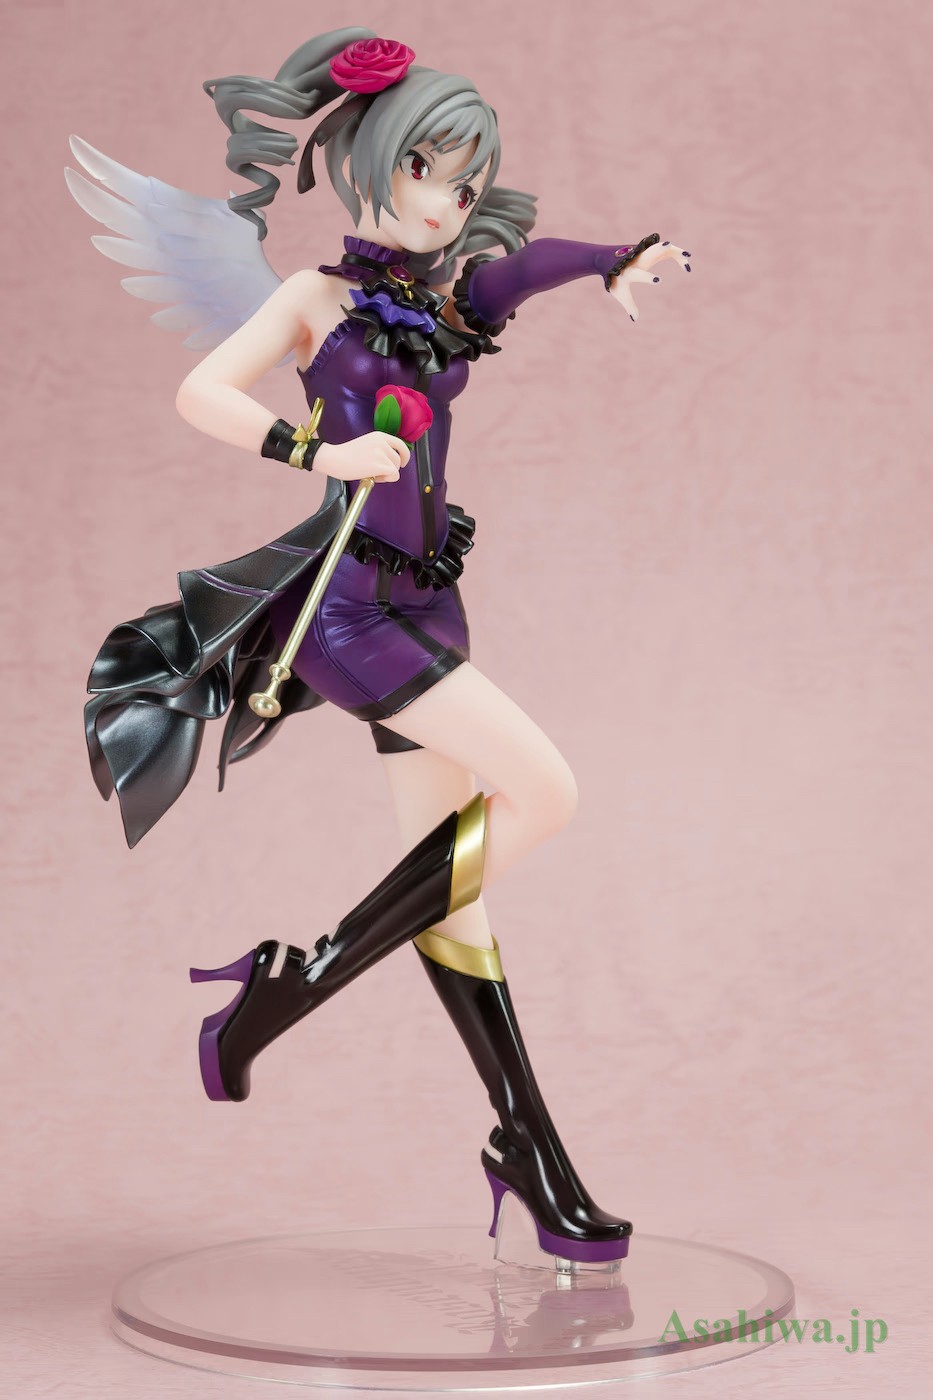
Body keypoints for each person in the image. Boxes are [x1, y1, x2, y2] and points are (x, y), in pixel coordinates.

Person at [73, 27, 692, 1266]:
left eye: (468, 183)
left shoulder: (440, 301)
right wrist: (317, 449)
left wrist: (609, 260)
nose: (451, 202)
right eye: (429, 171)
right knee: (547, 793)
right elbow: (204, 392)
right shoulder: (317, 300)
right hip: (348, 609)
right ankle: (295, 984)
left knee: (454, 892)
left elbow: (516, 274)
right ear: (368, 159)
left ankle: (527, 1147)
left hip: (431, 599)